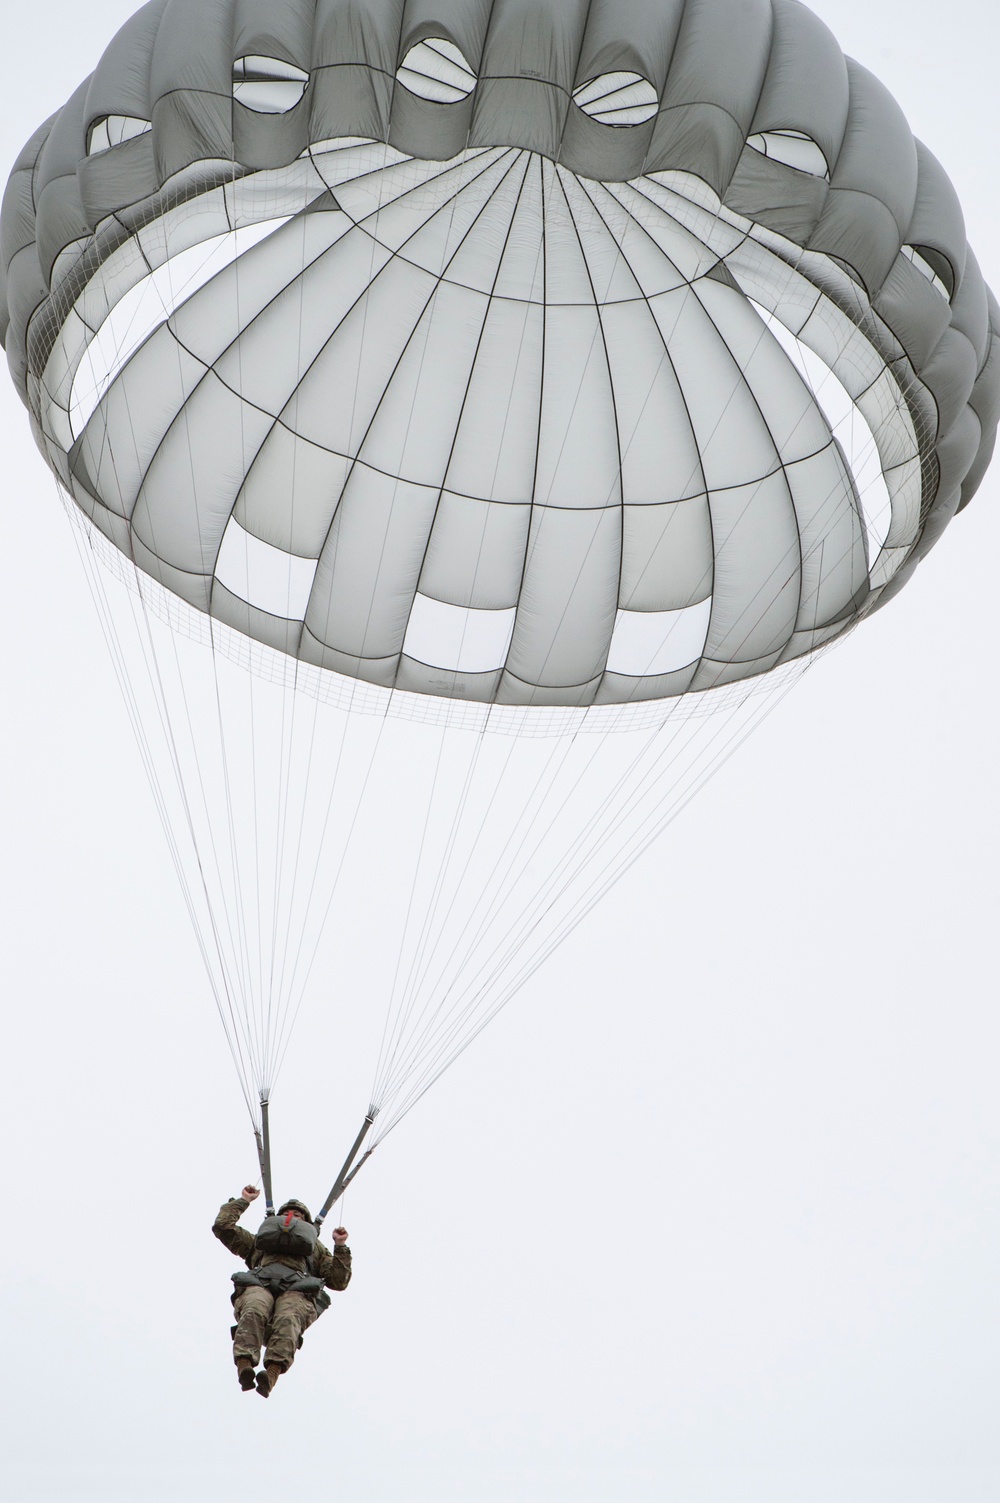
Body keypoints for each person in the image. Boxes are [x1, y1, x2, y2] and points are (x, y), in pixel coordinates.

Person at [213, 1184, 351, 1396]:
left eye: (298, 1215)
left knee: (289, 1318)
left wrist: (340, 1246)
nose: (291, 1217)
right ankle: (244, 1365)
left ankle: (272, 1373)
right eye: (286, 1214)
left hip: (297, 1289)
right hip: (260, 1283)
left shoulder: (317, 1249)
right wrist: (244, 1201)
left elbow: (338, 1281)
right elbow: (223, 1227)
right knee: (253, 1309)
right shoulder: (259, 1243)